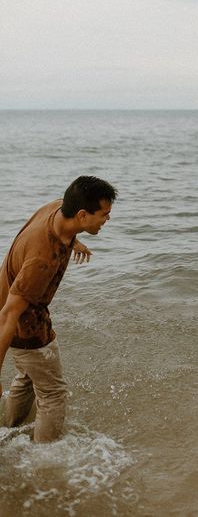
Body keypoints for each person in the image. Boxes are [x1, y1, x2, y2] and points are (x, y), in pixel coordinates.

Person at [0, 175, 117, 441]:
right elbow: (8, 315)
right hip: (26, 326)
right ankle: (45, 459)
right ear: (83, 214)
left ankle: (7, 429)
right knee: (53, 394)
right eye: (104, 215)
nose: (107, 220)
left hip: (10, 304)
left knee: (28, 377)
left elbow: (61, 227)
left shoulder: (56, 208)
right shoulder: (43, 259)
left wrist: (74, 241)